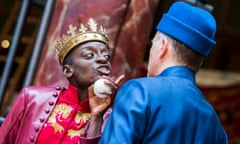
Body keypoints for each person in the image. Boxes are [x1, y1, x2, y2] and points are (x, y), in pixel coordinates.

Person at [100, 1, 228, 144]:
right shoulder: (215, 125)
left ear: (162, 46)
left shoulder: (140, 92)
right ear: (200, 62)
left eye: (153, 43)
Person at [0, 18, 124, 144]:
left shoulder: (112, 119)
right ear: (67, 70)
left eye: (106, 57)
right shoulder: (32, 98)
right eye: (89, 55)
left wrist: (96, 117)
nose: (103, 60)